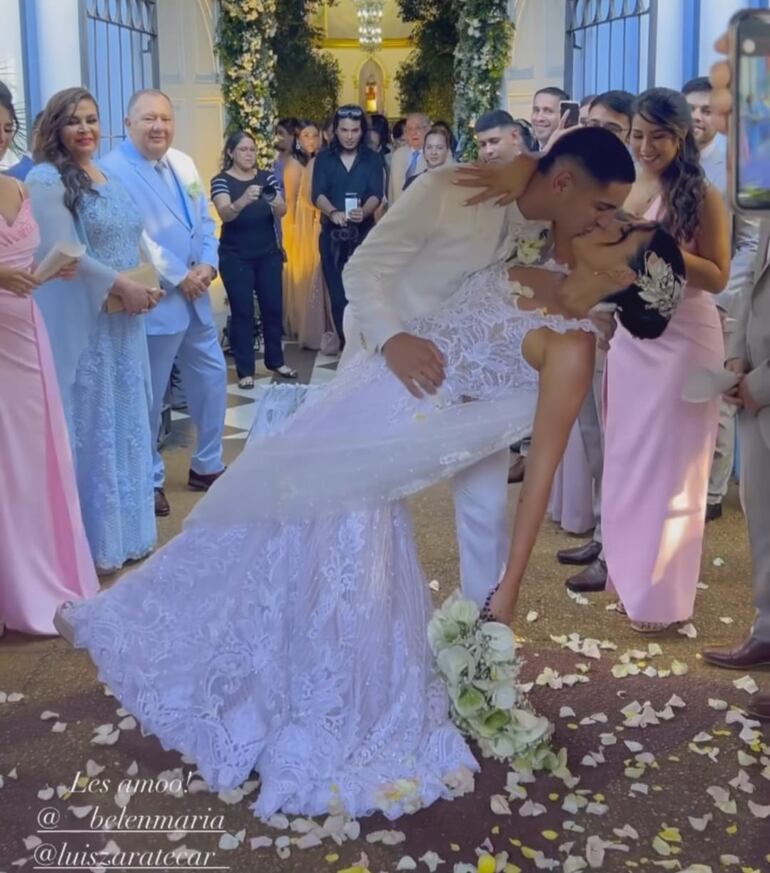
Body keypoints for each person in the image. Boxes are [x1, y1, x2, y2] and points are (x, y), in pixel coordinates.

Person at [54, 196, 682, 819]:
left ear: (626, 276)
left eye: (625, 229)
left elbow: (539, 472)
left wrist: (509, 587)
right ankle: (155, 633)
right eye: (615, 212)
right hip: (362, 388)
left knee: (324, 546)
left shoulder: (573, 349)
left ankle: (312, 707)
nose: (607, 217)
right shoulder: (531, 264)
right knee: (263, 522)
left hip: (391, 441)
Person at [343, 127, 634, 606]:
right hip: (396, 365)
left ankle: (481, 642)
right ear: (562, 185)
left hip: (479, 386)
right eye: (601, 209)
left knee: (487, 507)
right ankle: (358, 618)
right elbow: (360, 269)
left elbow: (631, 240)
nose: (604, 222)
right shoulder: (447, 192)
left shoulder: (553, 223)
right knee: (367, 500)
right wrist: (393, 339)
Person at [600, 87, 729, 632]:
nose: (646, 146)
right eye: (638, 135)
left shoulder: (702, 195)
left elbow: (719, 275)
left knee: (674, 473)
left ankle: (663, 598)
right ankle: (631, 579)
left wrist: (660, 244)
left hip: (685, 341)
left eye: (658, 136)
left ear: (680, 138)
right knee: (629, 462)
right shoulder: (627, 184)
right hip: (633, 338)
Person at [27, 88, 160, 574]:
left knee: (127, 422)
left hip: (125, 320)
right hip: (90, 324)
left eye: (91, 119)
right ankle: (92, 542)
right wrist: (123, 284)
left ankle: (132, 533)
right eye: (73, 121)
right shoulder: (46, 179)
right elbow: (65, 250)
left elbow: (132, 236)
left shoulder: (105, 174)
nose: (84, 129)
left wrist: (149, 283)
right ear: (54, 128)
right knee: (96, 426)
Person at [101, 89, 228, 518]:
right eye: (149, 119)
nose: (159, 127)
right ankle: (150, 477)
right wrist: (180, 277)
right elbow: (137, 237)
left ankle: (207, 464)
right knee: (150, 394)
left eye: (166, 119)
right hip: (157, 299)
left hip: (197, 297)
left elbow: (205, 221)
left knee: (211, 379)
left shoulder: (184, 163)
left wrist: (208, 265)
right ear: (128, 123)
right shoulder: (111, 170)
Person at [0, 90, 98, 637]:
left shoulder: (18, 185)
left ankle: (44, 570)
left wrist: (49, 269)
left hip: (25, 329)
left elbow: (25, 262)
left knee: (37, 456)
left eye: (4, 124)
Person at [702, 37, 770, 722]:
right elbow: (752, 272)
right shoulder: (760, 171)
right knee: (764, 523)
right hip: (753, 369)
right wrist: (737, 356)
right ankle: (765, 629)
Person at [555, 88, 636, 591]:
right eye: (589, 123)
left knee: (616, 442)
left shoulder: (636, 184)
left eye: (609, 127)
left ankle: (617, 547)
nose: (597, 134)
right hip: (580, 318)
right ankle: (604, 534)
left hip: (619, 328)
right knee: (591, 437)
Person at [683, 75, 759, 523]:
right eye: (690, 108)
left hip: (721, 298)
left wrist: (726, 295)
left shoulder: (738, 167)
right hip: (674, 303)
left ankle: (711, 492)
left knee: (718, 398)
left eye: (706, 110)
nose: (697, 116)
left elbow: (750, 242)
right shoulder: (667, 161)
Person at [211, 132, 294, 390]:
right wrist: (243, 200)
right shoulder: (221, 181)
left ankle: (276, 361)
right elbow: (225, 214)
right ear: (232, 153)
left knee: (273, 308)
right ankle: (245, 370)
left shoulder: (267, 177)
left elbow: (282, 210)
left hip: (267, 253)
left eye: (252, 150)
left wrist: (276, 201)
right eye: (243, 149)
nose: (249, 154)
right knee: (243, 311)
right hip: (236, 256)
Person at [312, 105, 384, 348]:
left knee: (365, 292)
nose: (349, 135)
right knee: (338, 294)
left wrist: (363, 211)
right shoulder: (323, 158)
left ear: (362, 130)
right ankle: (346, 346)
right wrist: (332, 212)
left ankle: (367, 345)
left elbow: (376, 193)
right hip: (332, 237)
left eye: (354, 130)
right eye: (344, 130)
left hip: (364, 236)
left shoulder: (373, 158)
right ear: (336, 130)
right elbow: (317, 194)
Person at [282, 120, 321, 339]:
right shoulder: (294, 165)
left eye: (315, 135)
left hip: (313, 225)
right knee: (302, 273)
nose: (312, 140)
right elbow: (291, 200)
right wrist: (294, 234)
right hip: (298, 227)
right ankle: (299, 322)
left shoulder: (314, 161)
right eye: (307, 135)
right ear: (298, 139)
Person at [388, 112, 430, 203]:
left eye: (418, 128)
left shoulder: (434, 155)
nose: (413, 132)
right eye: (409, 129)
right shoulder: (398, 155)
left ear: (428, 129)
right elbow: (391, 192)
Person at [403, 125, 453, 192]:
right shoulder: (412, 183)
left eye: (439, 147)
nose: (433, 152)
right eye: (429, 147)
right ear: (424, 151)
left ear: (447, 151)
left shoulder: (454, 184)